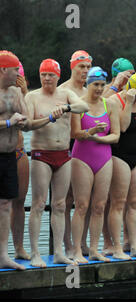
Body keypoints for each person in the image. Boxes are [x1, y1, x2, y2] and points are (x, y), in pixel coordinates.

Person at [26, 58, 91, 268]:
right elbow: (27, 125)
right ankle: (35, 252)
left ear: (58, 76)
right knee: (37, 204)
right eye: (43, 74)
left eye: (51, 75)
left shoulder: (65, 94)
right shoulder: (32, 96)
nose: (47, 78)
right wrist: (49, 118)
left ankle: (58, 252)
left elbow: (84, 106)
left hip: (63, 154)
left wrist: (66, 108)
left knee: (60, 205)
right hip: (41, 154)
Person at [70, 67, 120, 263]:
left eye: (102, 85)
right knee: (82, 205)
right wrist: (91, 132)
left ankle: (93, 249)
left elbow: (115, 135)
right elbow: (74, 134)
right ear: (88, 84)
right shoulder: (78, 105)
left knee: (99, 206)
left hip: (104, 158)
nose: (99, 89)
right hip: (82, 158)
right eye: (95, 85)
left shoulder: (110, 105)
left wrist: (100, 139)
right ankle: (76, 250)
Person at [105, 73, 136, 259]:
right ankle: (117, 247)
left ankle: (134, 245)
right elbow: (123, 127)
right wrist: (128, 102)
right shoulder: (114, 100)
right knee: (118, 203)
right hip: (119, 155)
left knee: (134, 203)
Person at [59, 50, 92, 258]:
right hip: (68, 146)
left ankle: (82, 242)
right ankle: (68, 244)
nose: (85, 71)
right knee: (67, 198)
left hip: (87, 146)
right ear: (72, 67)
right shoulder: (63, 90)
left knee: (84, 199)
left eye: (88, 67)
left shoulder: (90, 91)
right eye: (81, 67)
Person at [0, 50, 29, 270]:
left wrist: (24, 92)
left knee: (8, 203)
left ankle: (6, 253)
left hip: (12, 153)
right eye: (15, 69)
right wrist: (9, 123)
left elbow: (27, 121)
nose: (18, 73)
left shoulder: (15, 91)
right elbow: (13, 121)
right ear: (3, 70)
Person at [11, 62, 30, 260]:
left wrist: (24, 93)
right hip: (3, 153)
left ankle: (18, 247)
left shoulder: (22, 95)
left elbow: (28, 123)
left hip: (19, 151)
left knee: (20, 202)